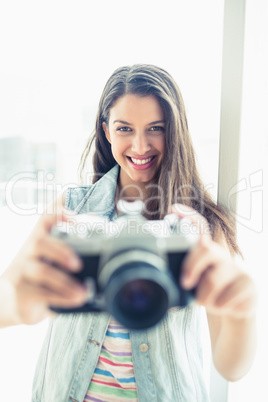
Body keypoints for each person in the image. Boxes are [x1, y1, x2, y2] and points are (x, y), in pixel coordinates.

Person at [0, 64, 257, 401]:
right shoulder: (72, 211)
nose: (140, 145)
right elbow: (6, 302)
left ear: (175, 131)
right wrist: (19, 306)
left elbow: (231, 368)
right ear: (106, 132)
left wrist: (244, 313)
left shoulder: (200, 227)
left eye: (156, 128)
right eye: (125, 129)